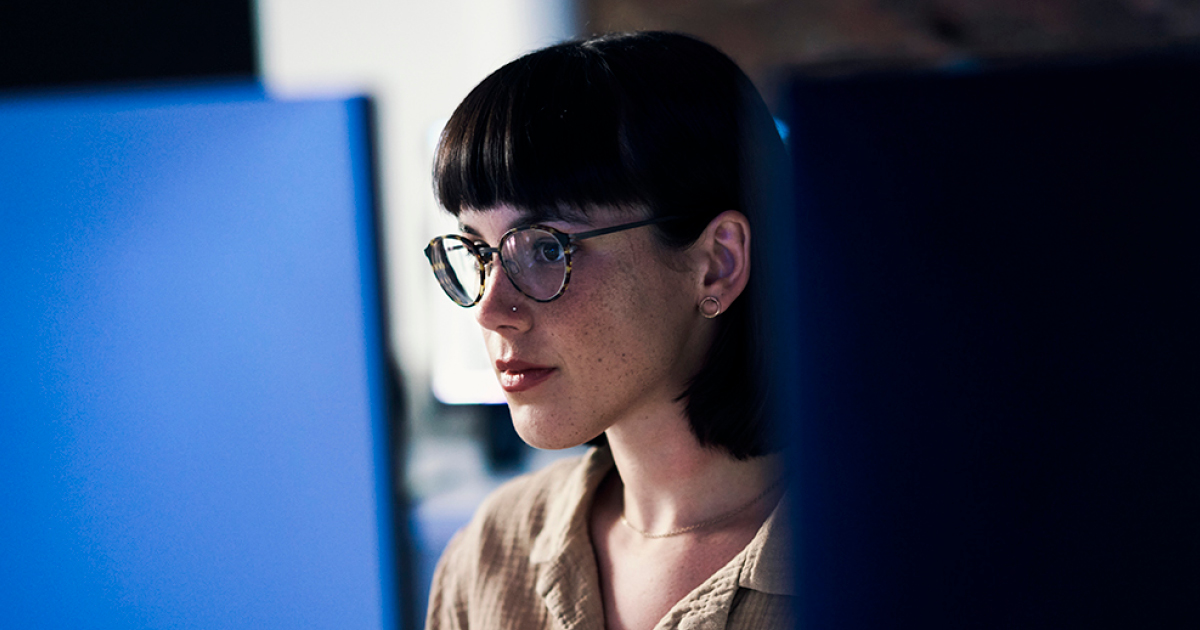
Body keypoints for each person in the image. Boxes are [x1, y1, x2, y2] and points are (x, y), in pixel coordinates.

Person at [422, 31, 793, 630]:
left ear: (716, 262)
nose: (490, 309)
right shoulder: (493, 553)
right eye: (478, 252)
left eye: (545, 247)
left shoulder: (882, 559)